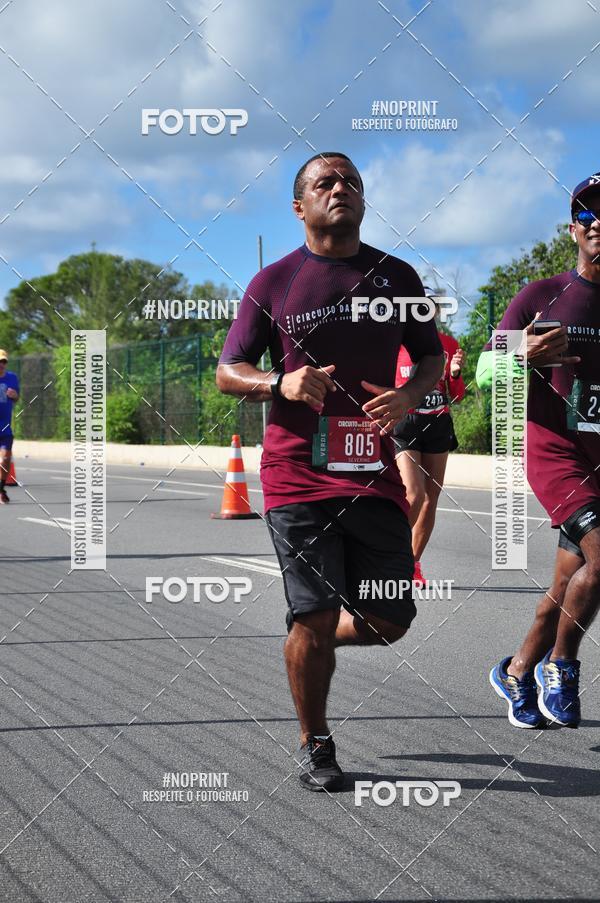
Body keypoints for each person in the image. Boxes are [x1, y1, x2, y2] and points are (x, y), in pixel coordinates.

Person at [216, 152, 444, 790]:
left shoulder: (396, 277)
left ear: (364, 202)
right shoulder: (274, 284)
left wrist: (409, 397)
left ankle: (309, 643)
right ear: (300, 207)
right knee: (313, 614)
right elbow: (228, 371)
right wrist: (278, 383)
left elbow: (428, 359)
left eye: (351, 183)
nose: (340, 189)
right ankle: (316, 741)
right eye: (325, 182)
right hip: (297, 476)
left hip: (371, 472)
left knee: (390, 620)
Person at [477, 173, 600, 729]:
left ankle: (517, 670)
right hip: (557, 453)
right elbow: (482, 373)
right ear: (574, 228)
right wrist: (520, 353)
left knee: (568, 584)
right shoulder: (541, 296)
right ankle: (562, 664)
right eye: (589, 216)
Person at [393, 292, 465, 585]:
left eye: (430, 311)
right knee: (414, 494)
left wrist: (457, 373)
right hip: (404, 424)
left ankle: (412, 564)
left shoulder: (447, 345)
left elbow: (456, 395)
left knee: (430, 499)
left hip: (437, 422)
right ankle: (391, 555)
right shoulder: (394, 344)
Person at [0, 350, 20, 504]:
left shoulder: (12, 378)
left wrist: (15, 396)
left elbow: (17, 399)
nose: (1, 364)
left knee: (5, 459)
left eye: (4, 361)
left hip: (5, 427)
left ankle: (1, 489)